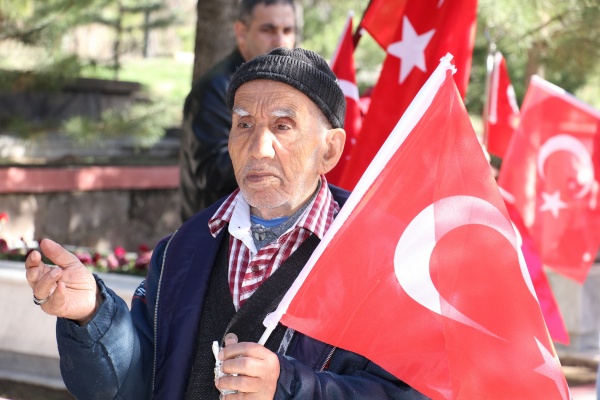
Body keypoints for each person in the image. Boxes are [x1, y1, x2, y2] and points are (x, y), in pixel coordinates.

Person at [25, 48, 427, 400]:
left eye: (283, 126)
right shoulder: (183, 250)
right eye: (244, 124)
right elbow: (141, 381)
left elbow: (412, 392)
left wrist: (287, 388)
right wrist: (92, 316)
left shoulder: (380, 259)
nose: (258, 147)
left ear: (329, 150)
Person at [179, 0, 297, 223]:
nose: (280, 41)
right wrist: (284, 154)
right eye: (268, 30)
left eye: (287, 30)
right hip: (217, 233)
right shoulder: (215, 89)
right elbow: (210, 172)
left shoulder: (289, 88)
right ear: (242, 33)